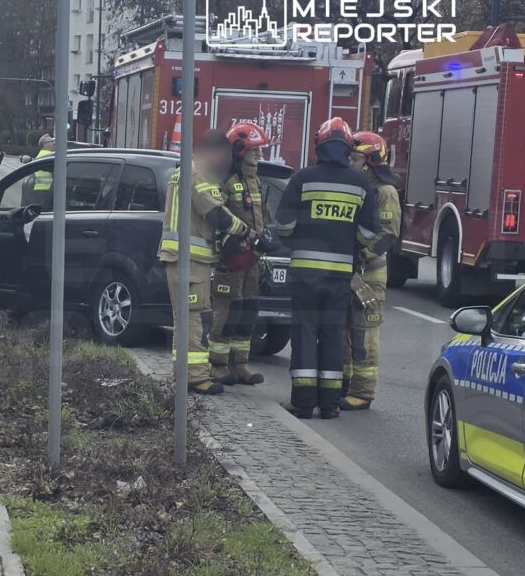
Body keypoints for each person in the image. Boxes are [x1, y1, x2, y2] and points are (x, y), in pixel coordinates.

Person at [272, 117, 386, 419]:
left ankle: (304, 401)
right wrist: (350, 241)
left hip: (305, 273)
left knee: (305, 332)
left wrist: (297, 238)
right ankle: (330, 404)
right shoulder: (361, 183)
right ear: (348, 149)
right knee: (333, 334)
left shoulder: (302, 178)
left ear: (319, 145)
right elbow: (370, 232)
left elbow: (283, 225)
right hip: (340, 274)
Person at [159, 129, 249, 395]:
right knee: (195, 318)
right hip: (189, 260)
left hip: (186, 259)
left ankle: (186, 373)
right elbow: (216, 214)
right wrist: (244, 231)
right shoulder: (200, 173)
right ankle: (196, 377)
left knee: (188, 318)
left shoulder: (188, 170)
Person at [340, 131, 401, 411]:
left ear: (370, 161)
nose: (350, 162)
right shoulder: (357, 187)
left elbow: (388, 235)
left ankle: (363, 392)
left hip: (369, 274)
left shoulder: (385, 192)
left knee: (365, 332)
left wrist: (360, 254)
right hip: (350, 270)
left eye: (355, 158)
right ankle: (345, 381)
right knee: (345, 329)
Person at [209, 123, 270, 386]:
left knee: (247, 309)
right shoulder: (225, 180)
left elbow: (260, 215)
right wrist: (229, 243)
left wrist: (267, 235)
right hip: (231, 260)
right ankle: (217, 365)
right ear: (239, 149)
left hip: (252, 259)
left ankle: (240, 363)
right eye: (254, 150)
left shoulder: (255, 180)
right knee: (228, 309)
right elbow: (216, 216)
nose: (259, 155)